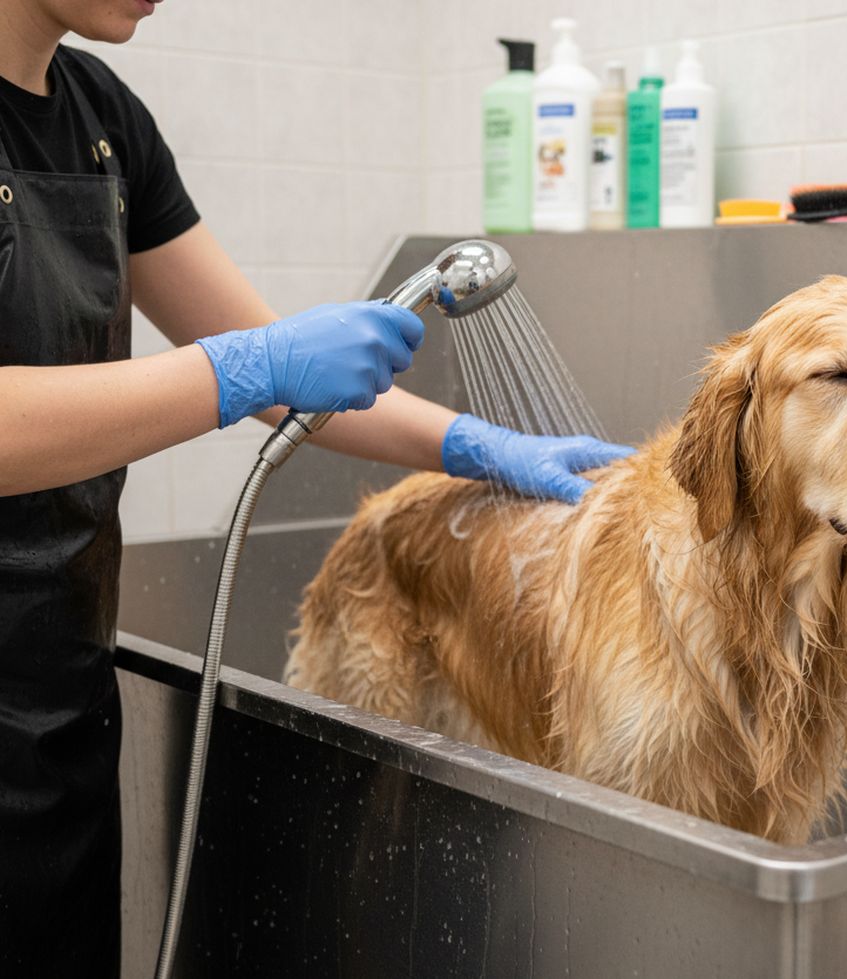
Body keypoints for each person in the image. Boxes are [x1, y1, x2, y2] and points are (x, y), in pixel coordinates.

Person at [0, 1, 632, 975]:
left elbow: (279, 368)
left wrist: (474, 443)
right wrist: (242, 369)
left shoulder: (103, 121)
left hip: (59, 712)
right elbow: (250, 366)